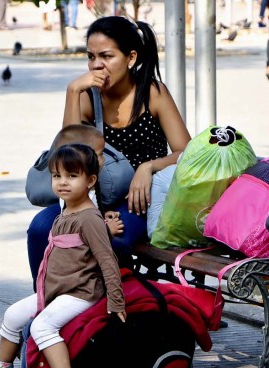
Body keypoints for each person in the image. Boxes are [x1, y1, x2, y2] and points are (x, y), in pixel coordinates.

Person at [27, 16, 190, 275]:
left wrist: (147, 168)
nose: (96, 65)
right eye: (91, 57)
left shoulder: (152, 93)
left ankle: (106, 305)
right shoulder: (89, 96)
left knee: (114, 239)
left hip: (137, 200)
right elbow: (69, 152)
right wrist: (73, 91)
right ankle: (47, 304)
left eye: (106, 56)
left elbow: (186, 151)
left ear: (131, 58)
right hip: (92, 196)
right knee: (39, 229)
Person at [0, 144, 126, 368]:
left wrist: (116, 300)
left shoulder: (88, 218)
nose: (62, 183)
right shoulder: (66, 211)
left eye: (72, 176)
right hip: (55, 290)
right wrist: (106, 228)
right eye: (56, 176)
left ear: (90, 181)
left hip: (80, 292)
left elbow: (106, 258)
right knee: (12, 315)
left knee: (43, 326)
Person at [27, 124, 124, 291]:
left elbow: (90, 210)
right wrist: (107, 230)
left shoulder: (85, 183)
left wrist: (102, 215)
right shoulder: (71, 193)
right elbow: (80, 228)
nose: (103, 160)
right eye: (99, 154)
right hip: (69, 275)